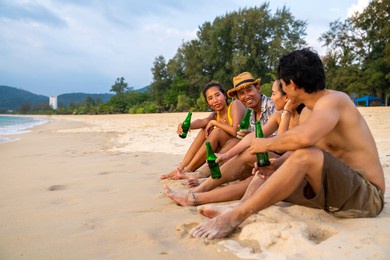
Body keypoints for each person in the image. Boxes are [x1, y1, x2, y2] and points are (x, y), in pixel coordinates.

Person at [189, 47, 385, 239]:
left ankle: (235, 216)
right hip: (334, 194)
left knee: (304, 156)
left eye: (281, 84)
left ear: (290, 84)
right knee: (271, 166)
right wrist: (278, 165)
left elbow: (305, 140)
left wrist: (264, 144)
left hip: (366, 197)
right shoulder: (309, 111)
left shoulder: (334, 100)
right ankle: (237, 205)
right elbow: (307, 148)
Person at [163, 80, 304, 206]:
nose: (272, 98)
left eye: (273, 94)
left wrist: (286, 112)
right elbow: (253, 137)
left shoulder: (290, 113)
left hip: (292, 167)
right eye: (241, 93)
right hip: (274, 161)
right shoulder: (275, 115)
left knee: (249, 161)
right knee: (248, 160)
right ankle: (196, 188)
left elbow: (281, 143)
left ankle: (201, 189)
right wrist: (225, 156)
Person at [179, 72, 276, 181]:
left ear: (257, 88)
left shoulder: (271, 105)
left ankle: (202, 174)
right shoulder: (249, 112)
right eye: (241, 93)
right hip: (250, 149)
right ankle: (186, 169)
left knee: (228, 138)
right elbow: (203, 121)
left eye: (249, 90)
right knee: (205, 131)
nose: (246, 96)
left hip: (271, 152)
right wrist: (185, 126)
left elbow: (279, 136)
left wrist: (214, 123)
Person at [160, 81, 246, 180]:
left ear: (225, 96)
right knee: (203, 130)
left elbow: (235, 131)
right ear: (208, 103)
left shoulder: (235, 105)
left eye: (217, 95)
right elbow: (202, 121)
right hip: (224, 149)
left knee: (216, 131)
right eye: (210, 98)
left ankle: (188, 169)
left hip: (239, 146)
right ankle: (181, 168)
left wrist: (214, 123)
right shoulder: (215, 115)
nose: (215, 100)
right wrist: (187, 126)